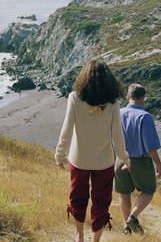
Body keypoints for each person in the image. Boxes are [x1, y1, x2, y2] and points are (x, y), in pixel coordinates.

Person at [55, 60, 131, 242]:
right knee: (101, 203)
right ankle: (95, 240)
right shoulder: (113, 103)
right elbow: (117, 137)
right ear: (109, 80)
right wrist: (126, 159)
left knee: (77, 198)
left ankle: (79, 235)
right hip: (104, 162)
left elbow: (67, 129)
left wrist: (60, 154)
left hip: (79, 159)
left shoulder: (74, 97)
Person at [114, 83, 161, 235]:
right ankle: (133, 217)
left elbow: (112, 138)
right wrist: (158, 164)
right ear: (143, 98)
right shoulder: (145, 117)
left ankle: (126, 227)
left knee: (124, 193)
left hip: (120, 158)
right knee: (148, 190)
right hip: (139, 161)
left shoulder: (118, 114)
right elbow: (150, 146)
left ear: (128, 96)